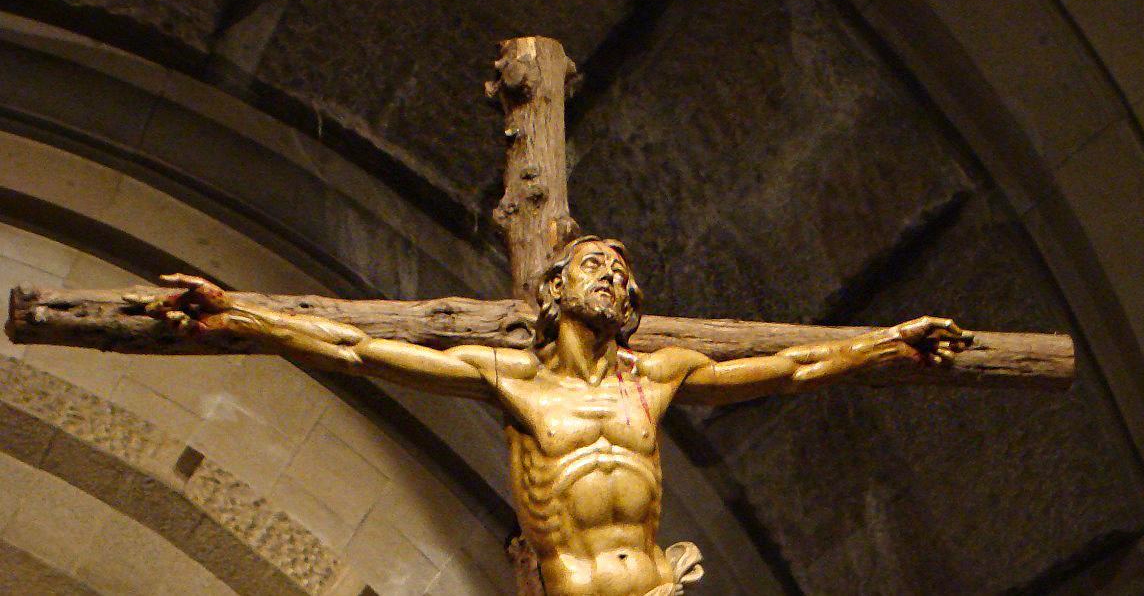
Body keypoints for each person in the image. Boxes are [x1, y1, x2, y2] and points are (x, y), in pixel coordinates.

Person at [150, 235, 971, 596]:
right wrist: (242, 317)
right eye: (594, 265)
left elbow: (789, 367)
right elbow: (360, 351)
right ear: (553, 291)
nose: (612, 277)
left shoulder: (660, 375)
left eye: (622, 272)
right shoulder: (512, 381)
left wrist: (884, 344)